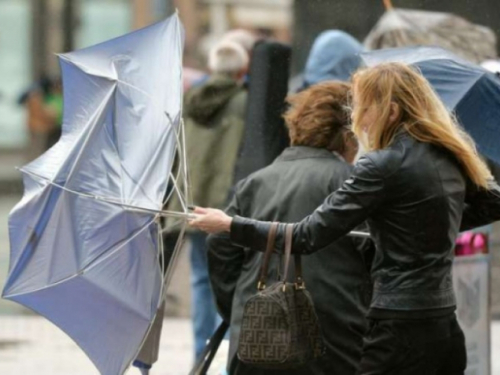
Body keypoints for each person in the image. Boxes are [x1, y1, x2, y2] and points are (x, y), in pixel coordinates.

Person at [190, 62, 500, 374]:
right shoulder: (448, 154)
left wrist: (230, 225)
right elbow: (492, 204)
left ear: (390, 111)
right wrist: (414, 226)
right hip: (443, 325)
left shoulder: (382, 166)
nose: (355, 120)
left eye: (362, 107)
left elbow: (306, 236)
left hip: (397, 330)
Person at [207, 81, 374, 375]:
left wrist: (241, 305)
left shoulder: (255, 182)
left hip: (256, 338)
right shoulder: (354, 184)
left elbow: (221, 245)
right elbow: (375, 256)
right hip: (334, 336)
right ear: (348, 135)